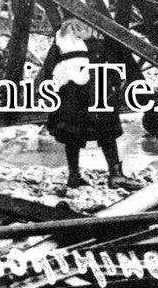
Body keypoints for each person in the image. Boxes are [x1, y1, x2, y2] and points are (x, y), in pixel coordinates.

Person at [39, 18, 144, 193]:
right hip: (95, 87)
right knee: (106, 130)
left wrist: (51, 88)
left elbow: (50, 66)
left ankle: (74, 176)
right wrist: (117, 84)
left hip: (71, 90)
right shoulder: (97, 38)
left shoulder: (63, 39)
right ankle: (115, 175)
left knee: (72, 132)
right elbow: (111, 61)